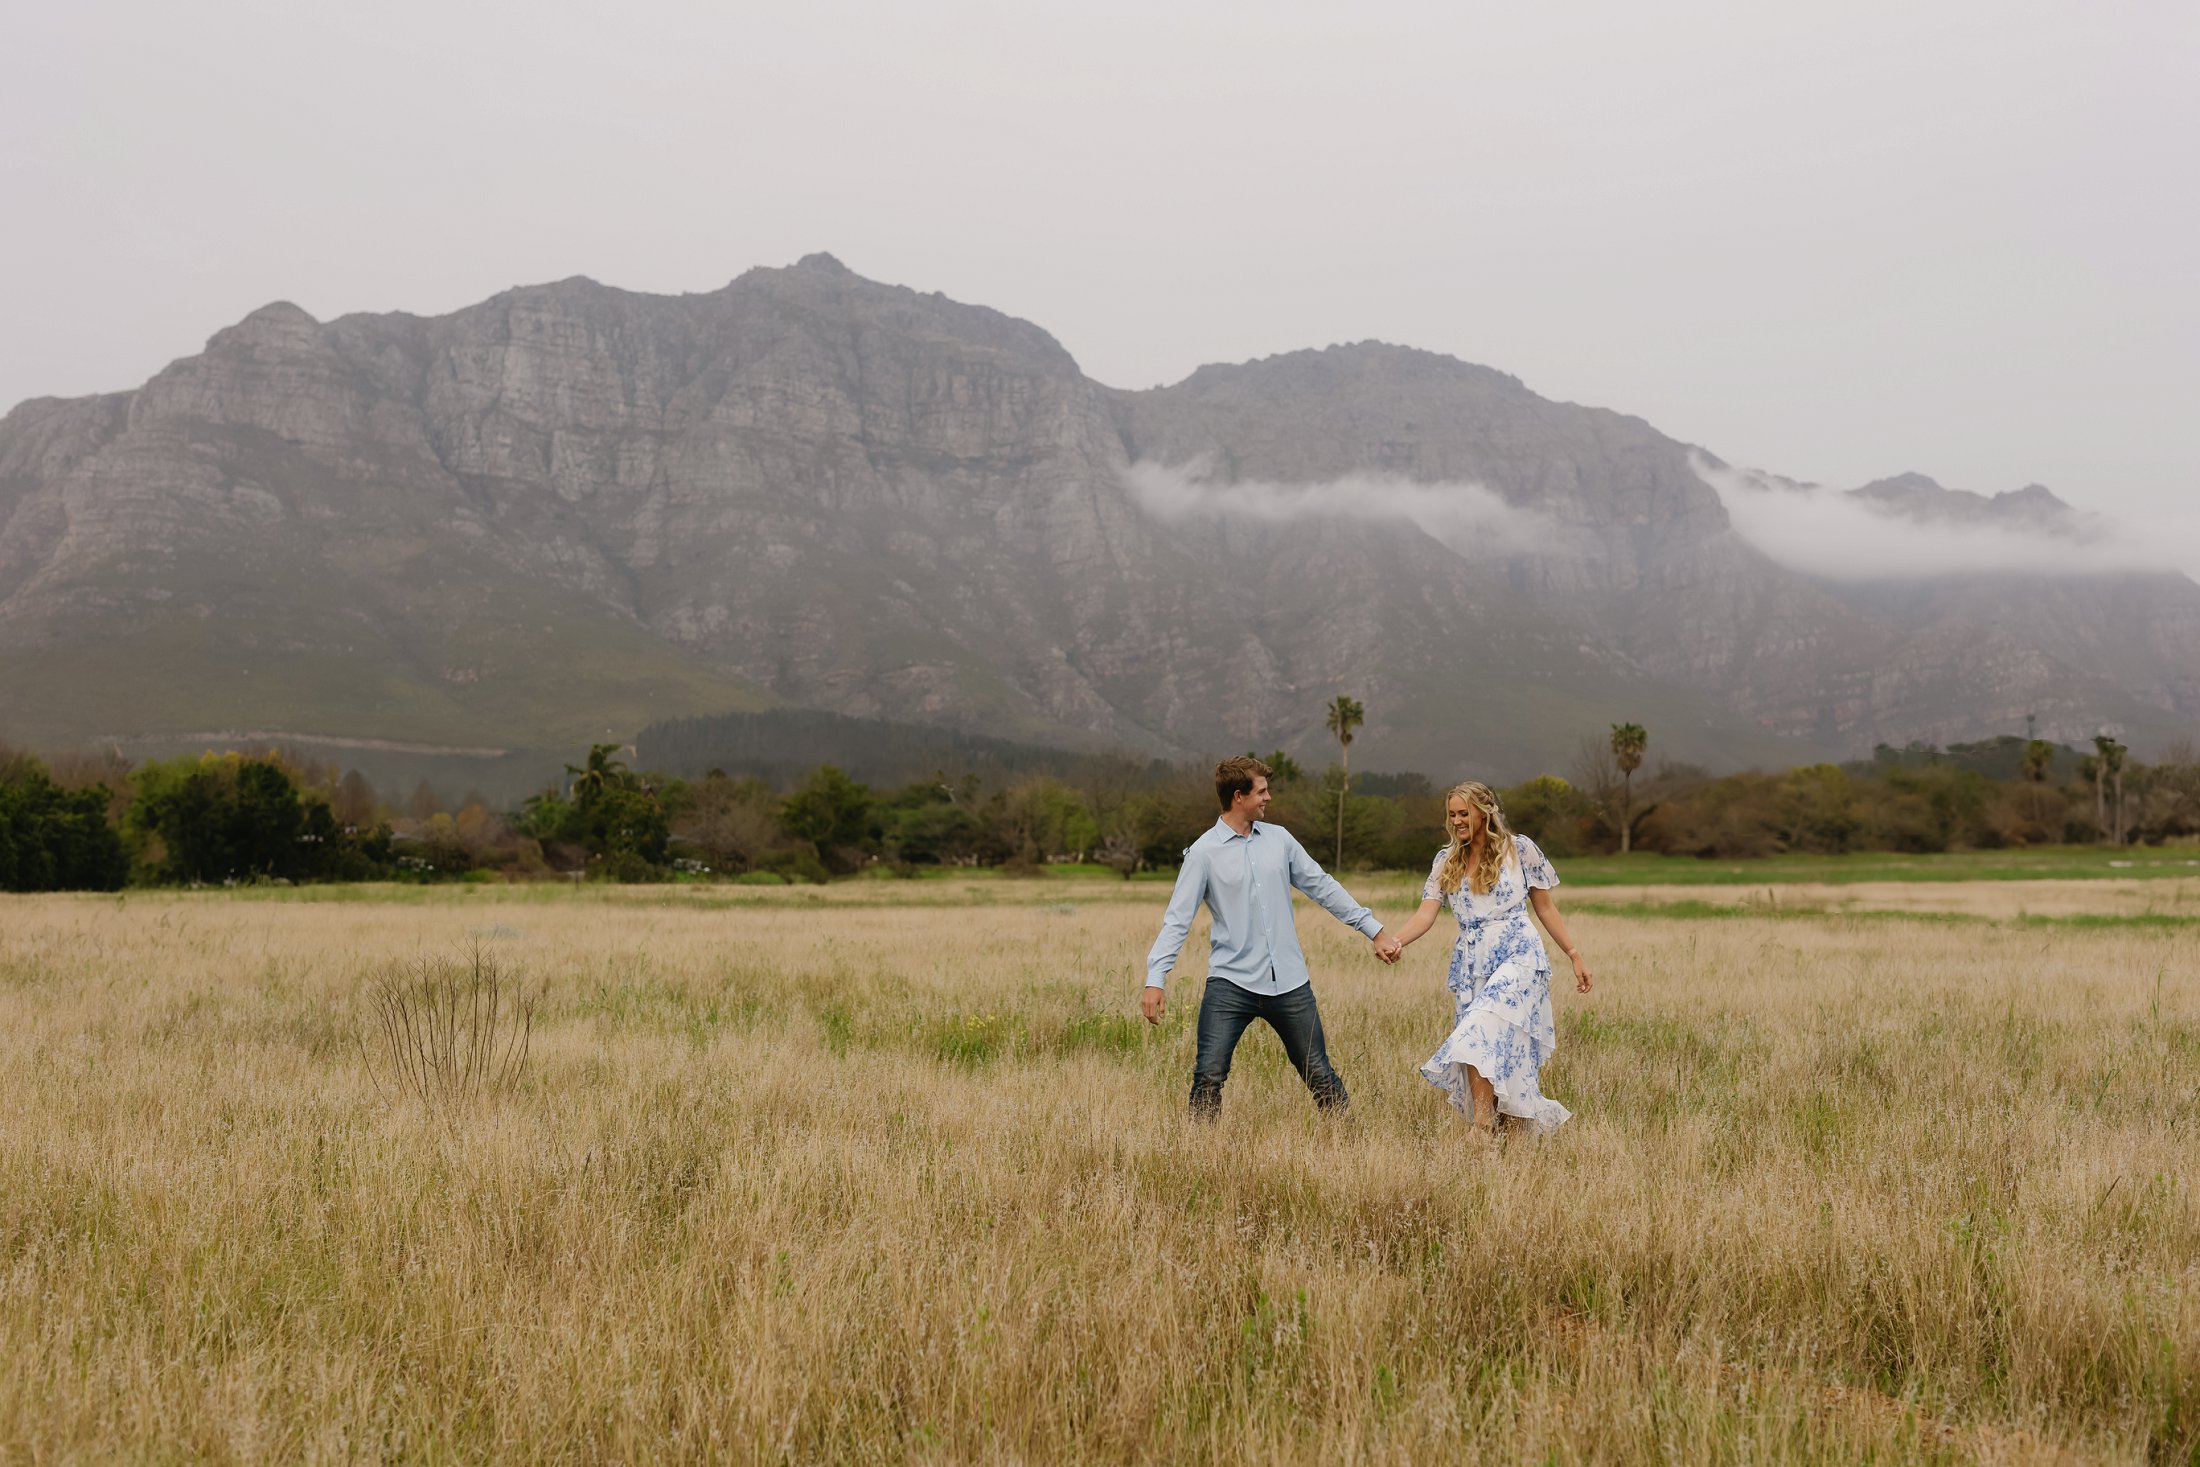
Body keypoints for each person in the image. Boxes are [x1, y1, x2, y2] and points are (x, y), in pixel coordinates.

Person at [1142, 755, 1399, 1117]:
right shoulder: (1202, 853)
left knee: (1318, 1073)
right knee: (1209, 1075)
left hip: (1290, 983)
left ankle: (1350, 1143)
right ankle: (1199, 1155)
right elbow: (1177, 921)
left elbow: (1323, 887)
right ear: (1238, 796)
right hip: (1230, 983)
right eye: (1261, 791)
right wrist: (1156, 979)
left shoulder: (1280, 840)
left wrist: (1373, 930)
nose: (1269, 797)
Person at [1385, 781, 1594, 1138]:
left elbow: (1544, 906)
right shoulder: (1445, 860)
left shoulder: (1520, 850)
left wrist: (1573, 954)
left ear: (1485, 811)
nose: (1457, 821)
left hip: (1519, 954)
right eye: (1452, 815)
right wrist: (1396, 941)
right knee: (1494, 1046)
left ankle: (1481, 1128)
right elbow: (1426, 914)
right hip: (1472, 963)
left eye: (1464, 813)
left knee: (1479, 1026)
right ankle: (1501, 1130)